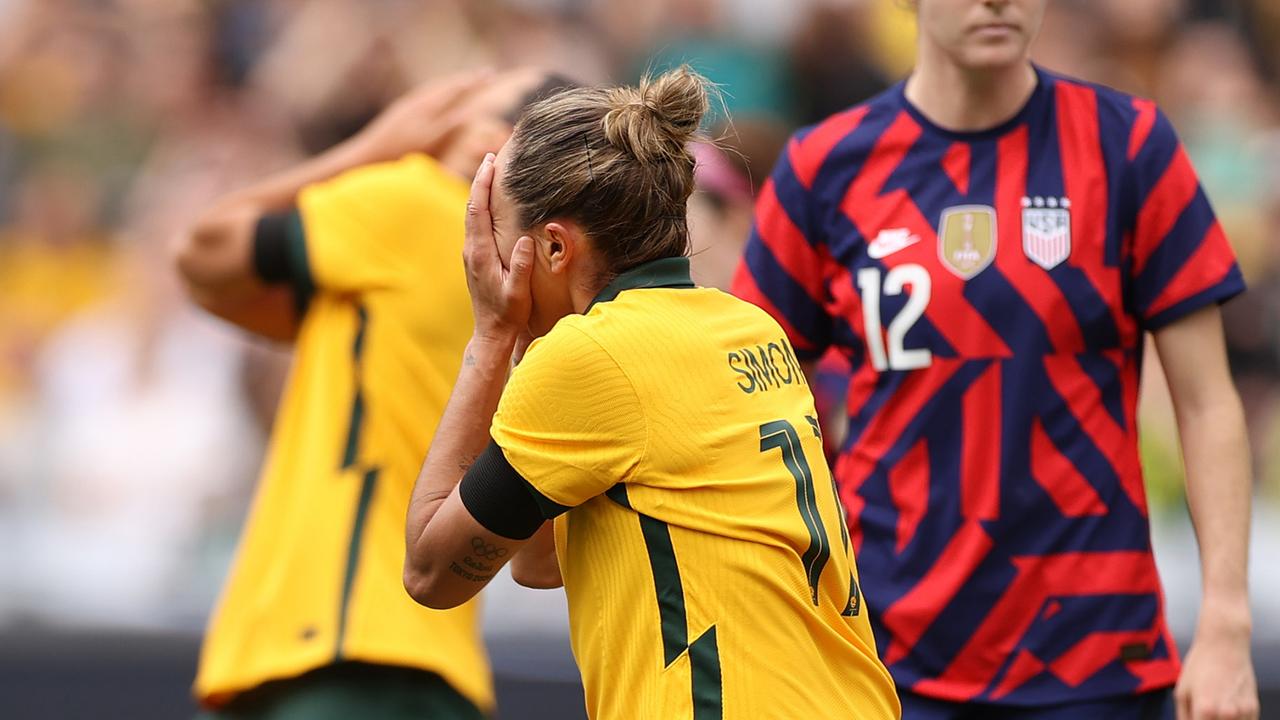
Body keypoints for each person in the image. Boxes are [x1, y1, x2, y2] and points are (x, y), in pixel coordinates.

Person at [732, 1, 1259, 719]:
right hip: (882, 654)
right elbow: (749, 409)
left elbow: (1208, 402)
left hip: (1091, 661)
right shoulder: (825, 166)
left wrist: (1227, 624)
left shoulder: (1127, 145)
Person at [400, 67, 901, 720]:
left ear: (553, 247)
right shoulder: (747, 326)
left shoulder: (595, 356)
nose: (482, 261)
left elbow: (432, 575)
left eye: (492, 235)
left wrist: (492, 339)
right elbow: (538, 561)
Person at [176, 67, 572, 719]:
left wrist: (374, 145)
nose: (435, 118)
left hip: (337, 639)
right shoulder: (526, 283)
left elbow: (200, 251)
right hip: (430, 657)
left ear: (500, 146)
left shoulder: (412, 204)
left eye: (462, 104)